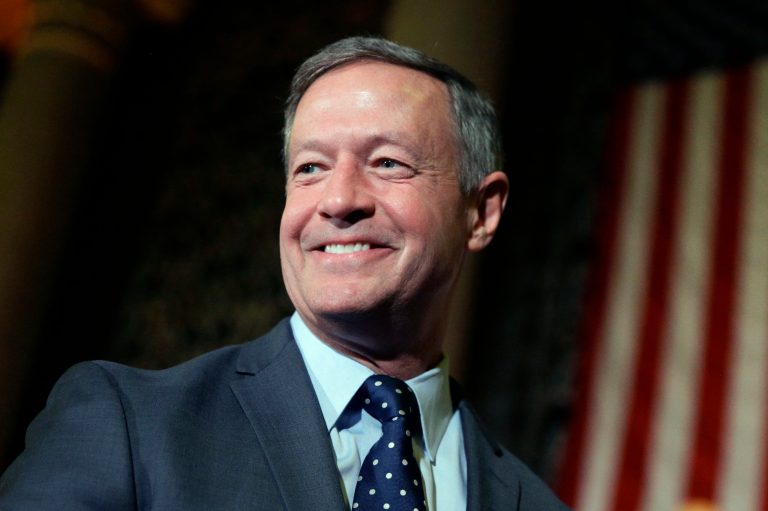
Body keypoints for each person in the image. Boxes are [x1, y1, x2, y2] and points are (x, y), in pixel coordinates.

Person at [0, 36, 570, 510]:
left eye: (387, 163)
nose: (338, 200)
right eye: (311, 168)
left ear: (480, 212)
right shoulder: (127, 425)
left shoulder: (532, 502)